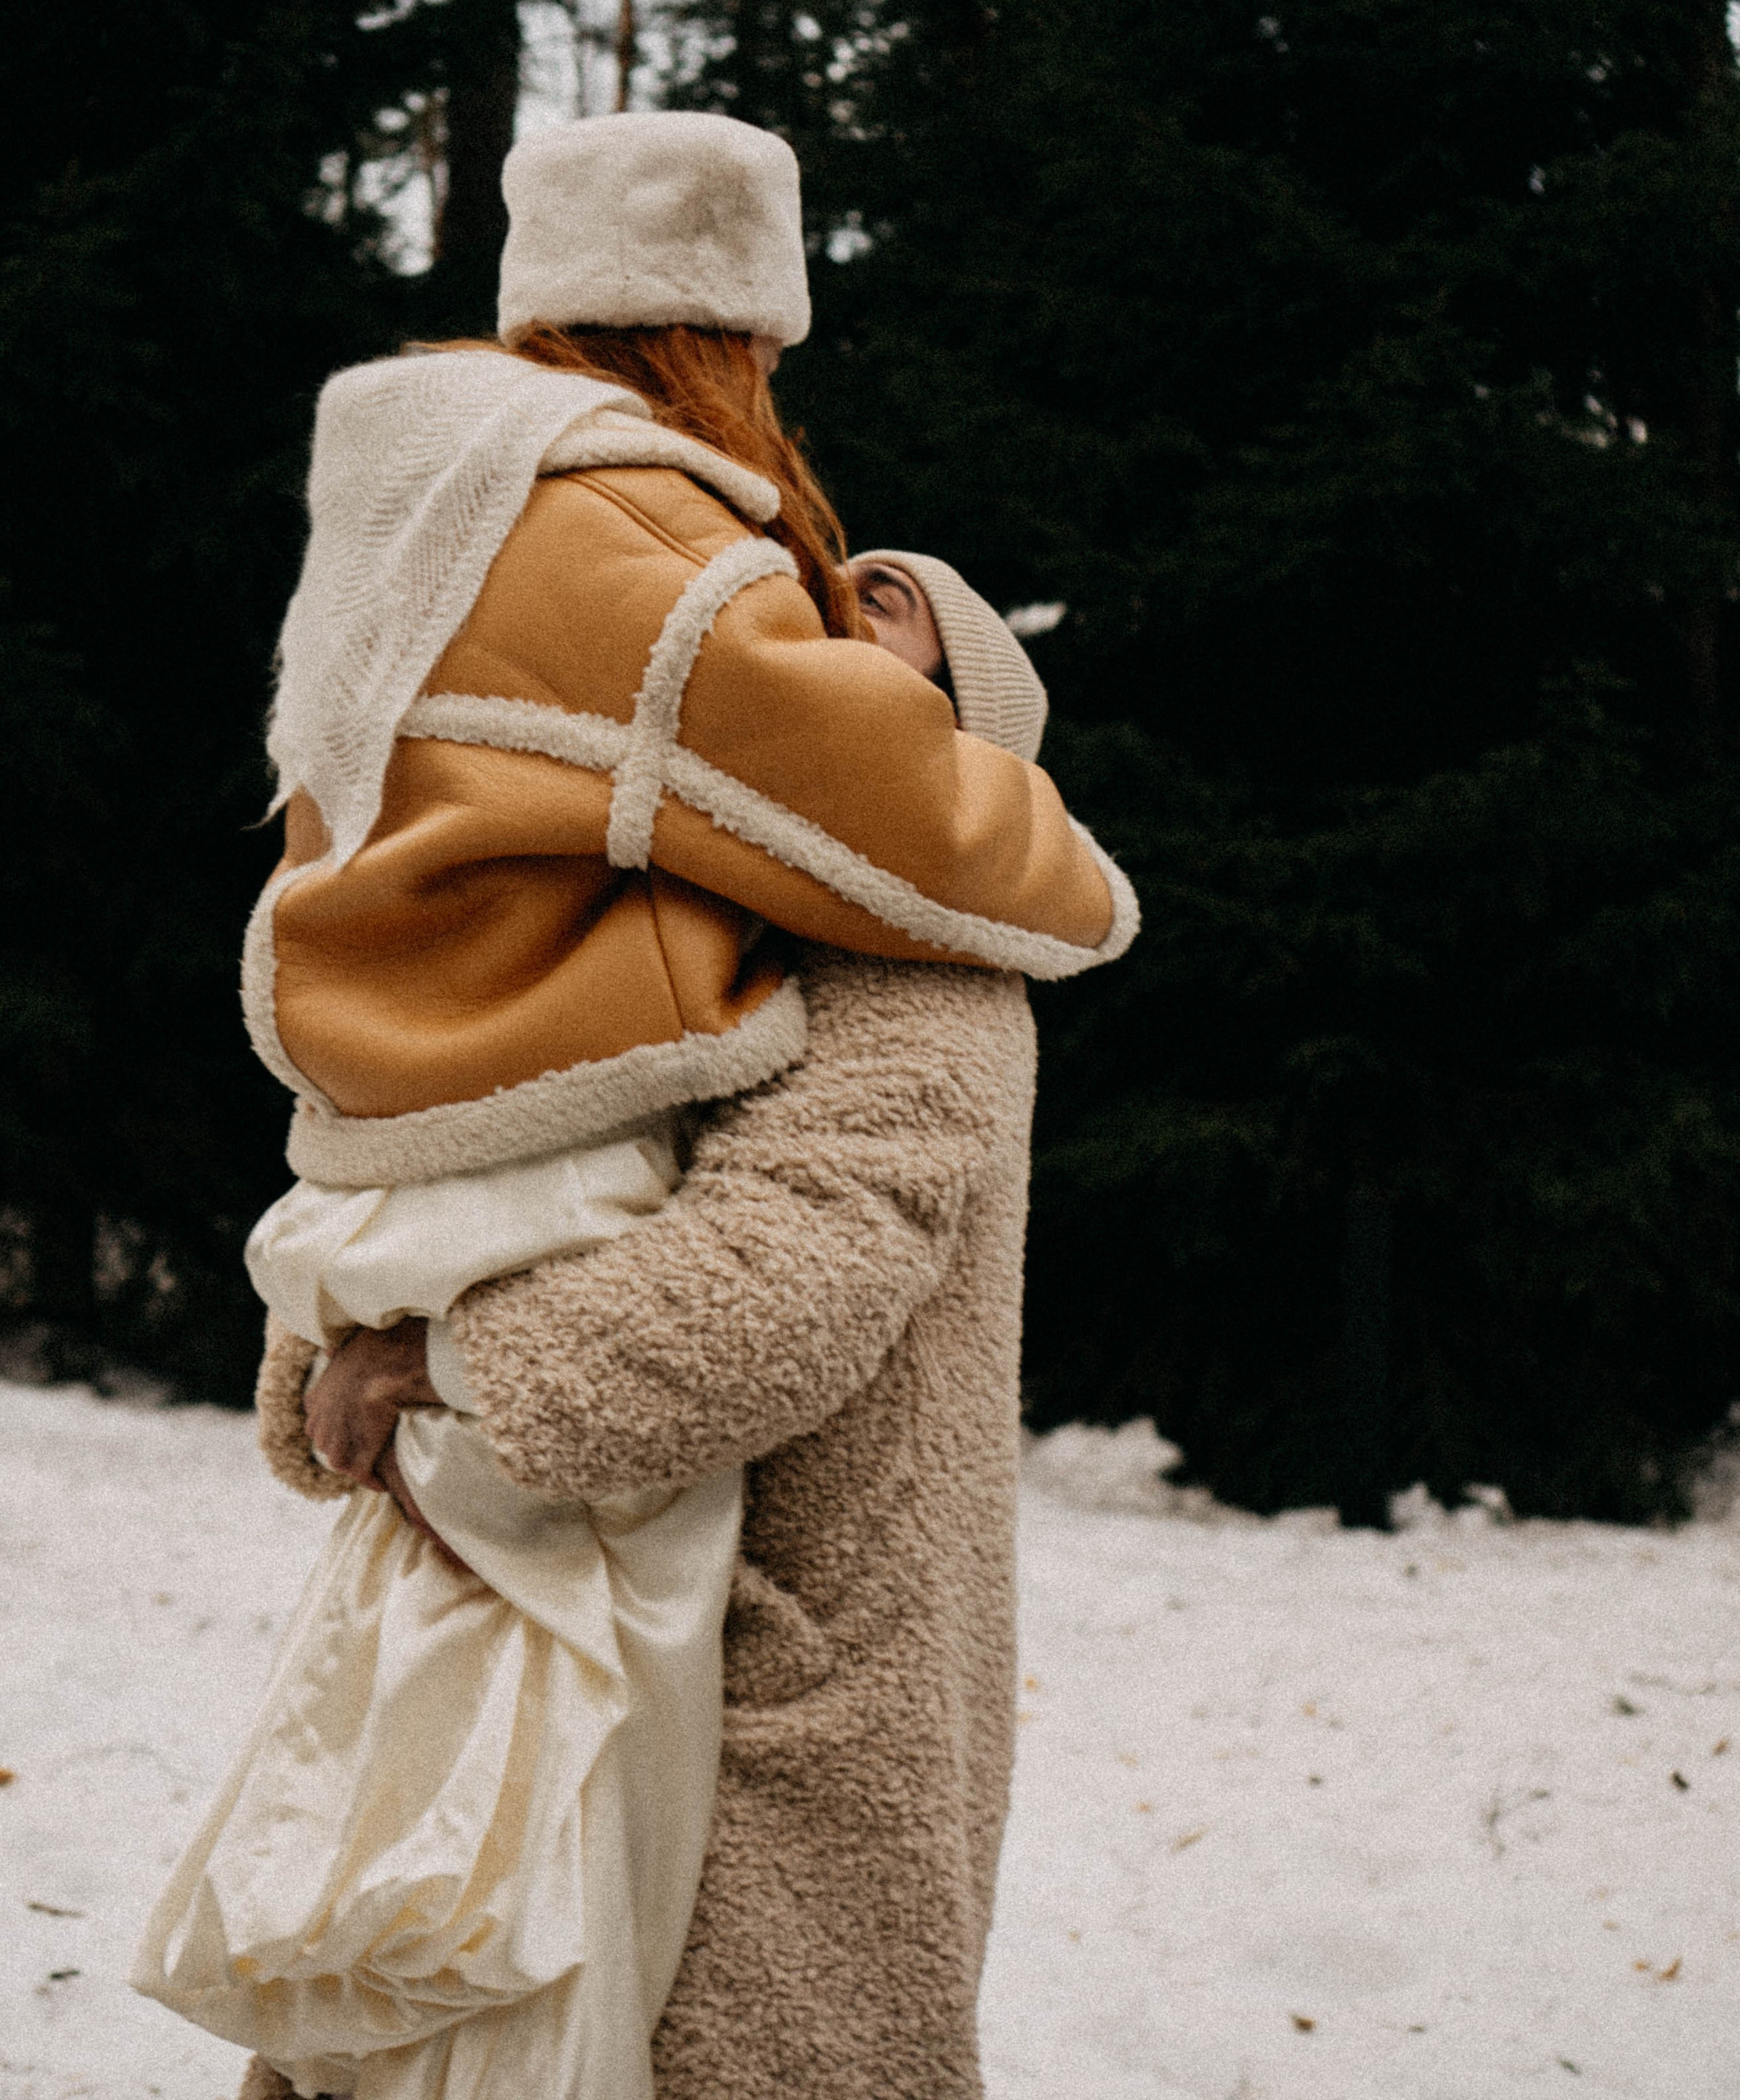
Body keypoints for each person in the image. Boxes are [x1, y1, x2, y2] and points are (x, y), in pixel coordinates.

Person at [132, 111, 1136, 2100]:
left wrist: (433, 1361)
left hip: (773, 1703)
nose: (857, 617)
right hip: (576, 1655)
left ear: (934, 743)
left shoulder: (925, 975)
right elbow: (512, 1159)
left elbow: (788, 1276)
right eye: (856, 598)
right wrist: (368, 1342)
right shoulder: (674, 908)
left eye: (903, 639)